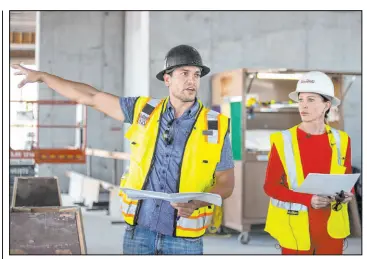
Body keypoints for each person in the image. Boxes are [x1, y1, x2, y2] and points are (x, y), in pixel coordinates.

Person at [12, 44, 235, 255]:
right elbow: (90, 97)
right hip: (139, 231)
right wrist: (42, 77)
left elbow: (226, 182)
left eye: (196, 74)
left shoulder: (215, 125)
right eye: (184, 73)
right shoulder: (143, 110)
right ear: (167, 78)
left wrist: (199, 202)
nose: (192, 80)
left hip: (184, 239)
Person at [263, 71, 354, 255]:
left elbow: (347, 181)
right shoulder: (283, 140)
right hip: (295, 231)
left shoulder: (342, 140)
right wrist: (307, 200)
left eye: (311, 100)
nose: (303, 105)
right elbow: (270, 187)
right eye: (301, 99)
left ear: (326, 105)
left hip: (332, 231)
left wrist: (347, 194)